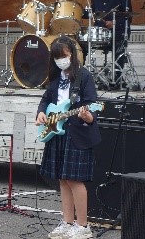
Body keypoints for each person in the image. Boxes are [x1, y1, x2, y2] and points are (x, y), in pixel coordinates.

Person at [35, 36, 101, 239]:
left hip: (76, 133)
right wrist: (41, 112)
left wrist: (89, 116)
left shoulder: (83, 76)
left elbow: (91, 104)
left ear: (72, 54)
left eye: (63, 56)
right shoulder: (56, 77)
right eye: (56, 57)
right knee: (63, 179)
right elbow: (46, 99)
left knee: (75, 180)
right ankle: (67, 222)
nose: (60, 61)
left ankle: (83, 226)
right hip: (58, 132)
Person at [87, 0, 132, 88]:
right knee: (82, 43)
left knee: (118, 46)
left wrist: (115, 23)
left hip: (118, 32)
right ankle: (83, 77)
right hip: (100, 32)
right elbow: (93, 11)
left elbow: (128, 16)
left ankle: (117, 79)